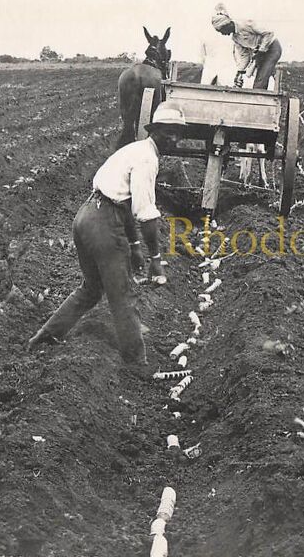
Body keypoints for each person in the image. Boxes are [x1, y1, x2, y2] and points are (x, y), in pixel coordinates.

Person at [26, 102, 187, 366]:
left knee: (91, 289)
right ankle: (137, 364)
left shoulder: (135, 150)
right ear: (155, 130)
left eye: (178, 133)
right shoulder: (147, 159)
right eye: (168, 131)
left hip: (86, 217)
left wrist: (134, 244)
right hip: (103, 222)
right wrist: (156, 258)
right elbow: (145, 212)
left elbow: (123, 203)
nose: (173, 138)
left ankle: (43, 339)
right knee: (122, 295)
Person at [211, 3, 282, 90]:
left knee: (260, 82)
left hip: (272, 48)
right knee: (258, 77)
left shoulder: (245, 24)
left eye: (222, 30)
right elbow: (245, 56)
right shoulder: (235, 38)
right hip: (260, 53)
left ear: (227, 24)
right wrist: (240, 72)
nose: (222, 34)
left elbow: (269, 33)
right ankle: (274, 77)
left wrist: (261, 51)